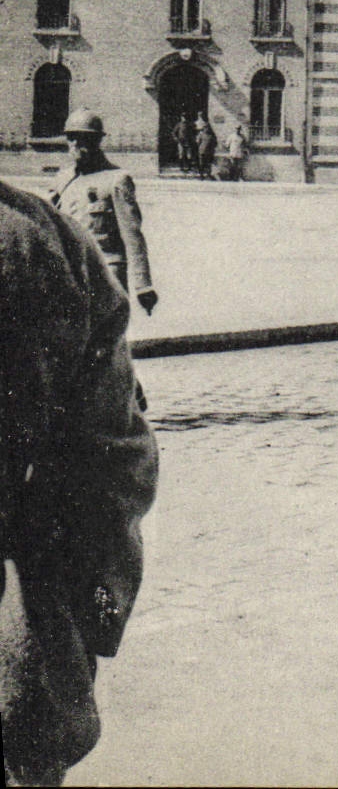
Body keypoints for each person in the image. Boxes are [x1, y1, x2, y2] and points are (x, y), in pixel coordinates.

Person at [2, 178, 159, 787]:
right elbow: (113, 470)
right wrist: (84, 625)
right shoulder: (46, 234)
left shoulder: (54, 230)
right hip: (24, 665)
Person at [48, 111, 158, 316]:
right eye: (71, 137)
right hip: (70, 274)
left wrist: (143, 286)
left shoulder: (116, 180)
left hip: (106, 275)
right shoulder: (62, 180)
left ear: (97, 141)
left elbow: (132, 237)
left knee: (105, 342)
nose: (75, 144)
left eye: (84, 138)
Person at [194, 114, 217, 181]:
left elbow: (215, 143)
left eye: (207, 128)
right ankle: (201, 175)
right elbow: (198, 142)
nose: (206, 129)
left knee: (208, 164)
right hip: (202, 151)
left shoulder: (211, 136)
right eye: (205, 128)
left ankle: (208, 175)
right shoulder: (201, 135)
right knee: (201, 164)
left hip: (209, 152)